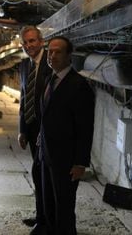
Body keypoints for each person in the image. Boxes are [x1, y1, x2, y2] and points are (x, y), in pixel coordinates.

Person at [39, 36, 95, 235]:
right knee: (49, 206)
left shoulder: (79, 86)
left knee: (64, 209)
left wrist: (80, 162)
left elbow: (85, 127)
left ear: (69, 56)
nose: (52, 56)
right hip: (46, 154)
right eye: (49, 51)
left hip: (66, 159)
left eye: (57, 52)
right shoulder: (49, 79)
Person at [18, 26, 52, 234]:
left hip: (47, 131)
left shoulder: (52, 61)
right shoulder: (24, 65)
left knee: (45, 175)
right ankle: (41, 217)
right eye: (25, 42)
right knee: (39, 174)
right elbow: (23, 98)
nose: (29, 45)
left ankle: (47, 221)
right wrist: (22, 129)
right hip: (31, 129)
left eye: (32, 41)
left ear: (41, 41)